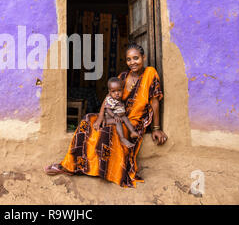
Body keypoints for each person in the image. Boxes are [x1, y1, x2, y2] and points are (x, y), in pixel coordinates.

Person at [44, 43, 168, 188]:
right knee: (89, 119)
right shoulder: (123, 76)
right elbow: (108, 99)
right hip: (116, 115)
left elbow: (154, 101)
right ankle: (70, 165)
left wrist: (156, 128)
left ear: (143, 57)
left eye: (136, 58)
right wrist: (100, 118)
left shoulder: (150, 73)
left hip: (132, 122)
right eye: (129, 59)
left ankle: (103, 169)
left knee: (110, 130)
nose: (132, 62)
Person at [98, 77, 139, 148]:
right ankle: (122, 138)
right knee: (118, 121)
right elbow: (107, 109)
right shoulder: (110, 99)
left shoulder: (118, 99)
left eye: (119, 90)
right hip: (109, 119)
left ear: (123, 90)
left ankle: (132, 132)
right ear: (109, 92)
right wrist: (114, 116)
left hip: (117, 116)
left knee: (125, 118)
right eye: (113, 91)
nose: (117, 93)